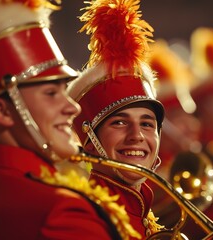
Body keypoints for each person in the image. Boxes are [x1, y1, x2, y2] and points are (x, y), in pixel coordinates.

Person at [0, 1, 139, 239]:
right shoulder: (63, 213)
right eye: (51, 94)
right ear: (1, 112)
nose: (72, 107)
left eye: (65, 91)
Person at [67, 0, 166, 239]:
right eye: (120, 122)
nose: (137, 136)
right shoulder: (83, 221)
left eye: (147, 123)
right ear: (89, 140)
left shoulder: (143, 214)